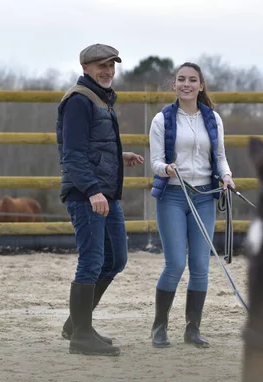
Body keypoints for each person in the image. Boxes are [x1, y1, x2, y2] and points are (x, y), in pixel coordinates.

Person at [56, 43, 144, 356]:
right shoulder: (80, 100)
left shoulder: (102, 100)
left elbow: (93, 147)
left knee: (116, 259)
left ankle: (76, 324)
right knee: (92, 260)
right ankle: (81, 336)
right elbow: (73, 154)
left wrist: (120, 157)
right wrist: (92, 190)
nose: (107, 71)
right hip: (87, 194)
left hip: (105, 193)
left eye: (111, 66)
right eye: (101, 66)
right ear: (85, 68)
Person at [148, 62, 235, 349]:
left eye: (192, 80)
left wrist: (226, 176)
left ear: (201, 85)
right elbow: (156, 161)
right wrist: (166, 169)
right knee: (175, 263)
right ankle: (159, 327)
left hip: (205, 196)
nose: (186, 84)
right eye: (181, 79)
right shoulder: (162, 119)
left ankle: (193, 329)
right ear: (174, 85)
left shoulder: (213, 119)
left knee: (200, 265)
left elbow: (219, 156)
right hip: (173, 196)